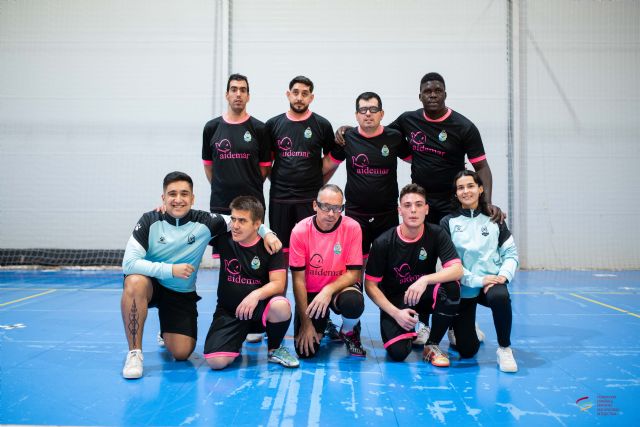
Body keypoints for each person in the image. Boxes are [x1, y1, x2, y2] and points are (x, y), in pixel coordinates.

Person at [120, 171, 281, 379]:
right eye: (172, 194)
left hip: (180, 293)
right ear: (163, 198)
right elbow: (129, 263)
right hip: (151, 285)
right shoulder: (149, 220)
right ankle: (134, 353)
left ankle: (165, 328)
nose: (178, 200)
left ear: (193, 198)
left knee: (181, 353)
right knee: (134, 281)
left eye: (184, 194)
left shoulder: (205, 221)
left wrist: (268, 233)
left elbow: (243, 220)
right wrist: (170, 270)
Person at [364, 183, 463, 366]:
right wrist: (395, 313)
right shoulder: (383, 242)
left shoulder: (436, 233)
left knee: (451, 287)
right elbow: (370, 285)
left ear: (426, 209)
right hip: (396, 302)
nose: (413, 210)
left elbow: (457, 269)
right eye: (408, 205)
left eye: (418, 205)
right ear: (400, 210)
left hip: (423, 294)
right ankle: (413, 328)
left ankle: (431, 345)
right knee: (398, 353)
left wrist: (425, 279)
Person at [203, 196, 299, 369]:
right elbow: (195, 223)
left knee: (281, 306)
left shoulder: (270, 246)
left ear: (257, 225)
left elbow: (278, 283)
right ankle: (235, 342)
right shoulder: (224, 238)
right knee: (215, 362)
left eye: (242, 221)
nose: (236, 225)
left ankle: (275, 349)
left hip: (258, 312)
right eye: (233, 219)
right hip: (230, 313)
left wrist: (255, 295)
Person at [440, 170, 519, 372]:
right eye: (461, 187)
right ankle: (468, 324)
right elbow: (450, 265)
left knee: (500, 295)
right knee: (467, 350)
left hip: (491, 285)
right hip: (466, 287)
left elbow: (510, 253)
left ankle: (505, 349)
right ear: (456, 193)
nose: (466, 191)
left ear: (480, 189)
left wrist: (503, 276)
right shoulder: (448, 222)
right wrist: (478, 280)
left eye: (470, 186)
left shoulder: (494, 218)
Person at [323, 92, 411, 260]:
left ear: (381, 113)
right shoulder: (346, 139)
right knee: (356, 263)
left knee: (386, 262)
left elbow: (417, 160)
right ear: (356, 115)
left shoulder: (394, 137)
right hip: (356, 214)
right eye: (363, 110)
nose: (368, 113)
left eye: (373, 109)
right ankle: (356, 287)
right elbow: (327, 164)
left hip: (386, 214)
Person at [289, 184, 367, 358]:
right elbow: (298, 281)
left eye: (337, 208)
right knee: (306, 352)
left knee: (353, 303)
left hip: (338, 289)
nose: (331, 214)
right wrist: (306, 324)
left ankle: (348, 330)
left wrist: (328, 290)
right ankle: (322, 323)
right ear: (315, 205)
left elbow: (355, 273)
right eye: (326, 207)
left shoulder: (352, 227)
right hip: (311, 293)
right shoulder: (300, 231)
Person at [266, 75, 336, 256]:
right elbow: (267, 164)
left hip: (309, 199)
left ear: (311, 98)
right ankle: (280, 285)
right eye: (295, 93)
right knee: (281, 251)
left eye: (305, 94)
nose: (299, 98)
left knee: (310, 250)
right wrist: (279, 182)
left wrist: (318, 181)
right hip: (280, 198)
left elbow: (330, 161)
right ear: (288, 94)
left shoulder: (322, 124)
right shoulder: (273, 125)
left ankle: (309, 286)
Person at [202, 73, 271, 215]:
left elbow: (264, 169)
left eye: (243, 90)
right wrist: (222, 187)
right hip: (220, 204)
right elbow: (209, 167)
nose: (238, 94)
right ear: (227, 95)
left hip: (252, 206)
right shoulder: (211, 127)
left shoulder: (260, 129)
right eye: (234, 90)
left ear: (248, 96)